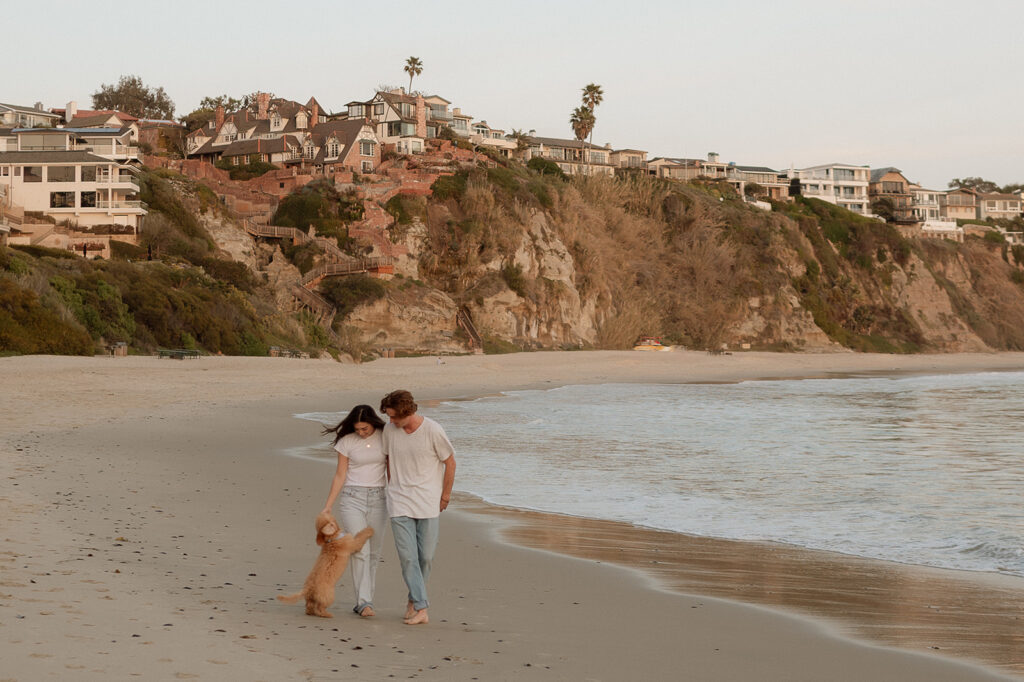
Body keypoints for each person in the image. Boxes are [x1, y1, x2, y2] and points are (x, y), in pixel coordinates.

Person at [379, 389, 456, 625]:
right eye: (388, 417)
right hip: (399, 501)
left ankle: (413, 598)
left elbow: (450, 462)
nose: (390, 421)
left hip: (428, 502)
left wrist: (445, 495)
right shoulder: (390, 431)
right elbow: (388, 459)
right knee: (408, 558)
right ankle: (422, 608)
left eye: (394, 417)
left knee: (426, 557)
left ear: (407, 412)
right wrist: (393, 486)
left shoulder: (432, 430)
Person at [320, 405, 388, 618]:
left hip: (380, 498)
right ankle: (364, 602)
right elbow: (340, 474)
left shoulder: (386, 437)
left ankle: (366, 599)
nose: (361, 433)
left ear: (373, 423)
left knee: (374, 553)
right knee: (360, 549)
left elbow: (393, 468)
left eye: (365, 429)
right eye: (358, 429)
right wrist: (328, 504)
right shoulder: (346, 441)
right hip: (352, 499)